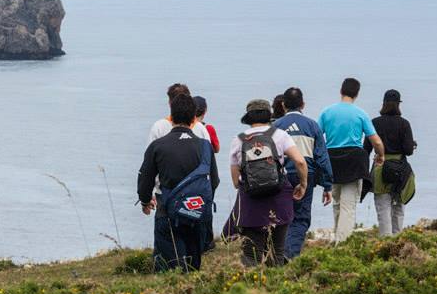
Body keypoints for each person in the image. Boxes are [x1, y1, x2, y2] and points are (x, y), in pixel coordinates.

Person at [138, 93, 219, 272]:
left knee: (168, 266)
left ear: (171, 117)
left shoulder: (157, 146)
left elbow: (145, 178)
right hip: (196, 211)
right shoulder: (205, 146)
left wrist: (145, 200)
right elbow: (214, 180)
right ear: (194, 119)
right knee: (192, 265)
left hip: (167, 210)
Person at [222, 99, 308, 267]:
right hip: (279, 199)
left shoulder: (238, 140)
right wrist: (302, 184)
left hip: (251, 202)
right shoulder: (280, 135)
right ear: (269, 115)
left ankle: (251, 289)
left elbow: (235, 181)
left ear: (248, 117)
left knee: (251, 254)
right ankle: (276, 288)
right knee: (277, 250)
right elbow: (300, 162)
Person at [318, 78, 385, 243]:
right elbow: (376, 141)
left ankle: (337, 238)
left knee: (337, 202)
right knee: (348, 205)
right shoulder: (360, 114)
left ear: (341, 91)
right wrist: (380, 155)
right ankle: (342, 244)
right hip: (353, 161)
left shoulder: (327, 112)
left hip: (332, 160)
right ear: (356, 94)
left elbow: (317, 138)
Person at [273, 87, 334, 259]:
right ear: (303, 104)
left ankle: (279, 253)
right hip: (305, 176)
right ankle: (290, 254)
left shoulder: (275, 127)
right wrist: (327, 185)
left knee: (281, 217)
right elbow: (322, 157)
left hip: (281, 177)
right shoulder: (312, 126)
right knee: (300, 218)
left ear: (283, 105)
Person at [366, 89, 417, 235]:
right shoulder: (404, 124)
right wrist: (411, 144)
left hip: (380, 167)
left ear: (384, 103)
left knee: (383, 210)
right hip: (401, 169)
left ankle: (385, 243)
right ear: (398, 104)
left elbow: (366, 148)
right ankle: (397, 243)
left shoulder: (374, 123)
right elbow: (408, 150)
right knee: (399, 208)